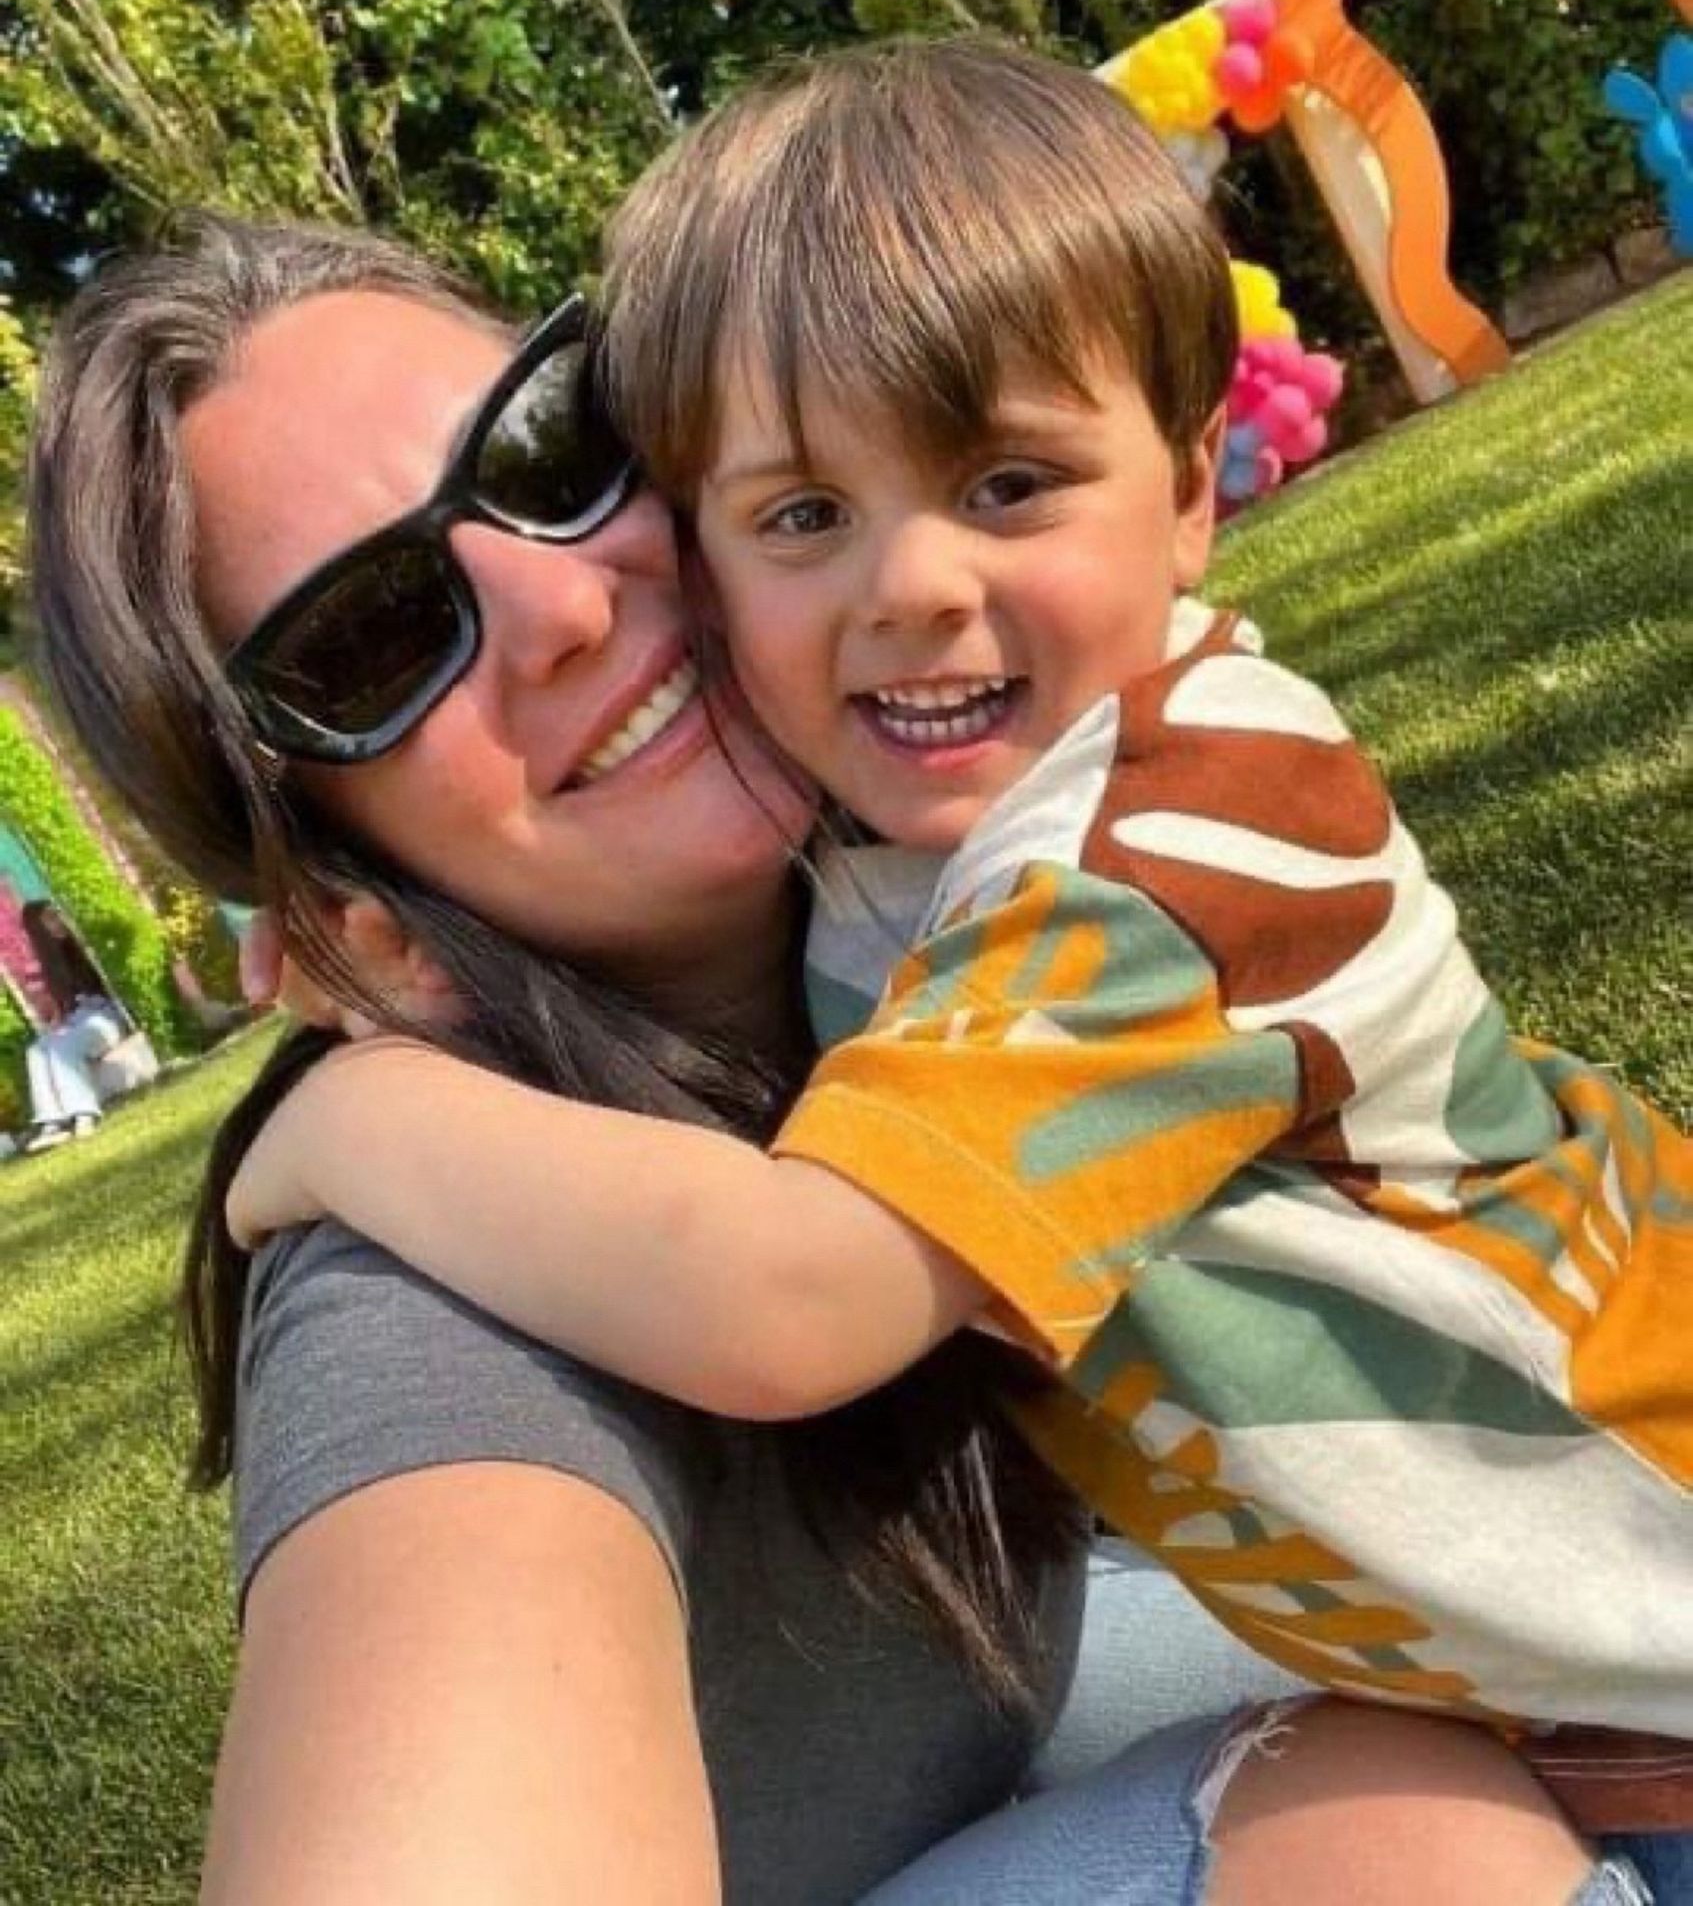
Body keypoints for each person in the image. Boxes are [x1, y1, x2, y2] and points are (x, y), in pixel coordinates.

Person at [29, 211, 1624, 1905]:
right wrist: (342, 1122)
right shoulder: (433, 1307)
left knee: (1467, 1711)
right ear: (321, 872)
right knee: (1404, 1837)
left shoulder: (963, 905)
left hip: (1088, 1728)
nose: (563, 599)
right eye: (369, 637)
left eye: (545, 444)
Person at [16, 898, 126, 1149]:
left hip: (103, 1017)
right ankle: (52, 1122)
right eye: (51, 918)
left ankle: (83, 1114)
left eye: (58, 915)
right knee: (37, 1051)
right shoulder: (46, 965)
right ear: (38, 929)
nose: (59, 921)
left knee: (63, 1049)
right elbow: (53, 1012)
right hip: (75, 1021)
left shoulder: (83, 945)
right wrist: (55, 1020)